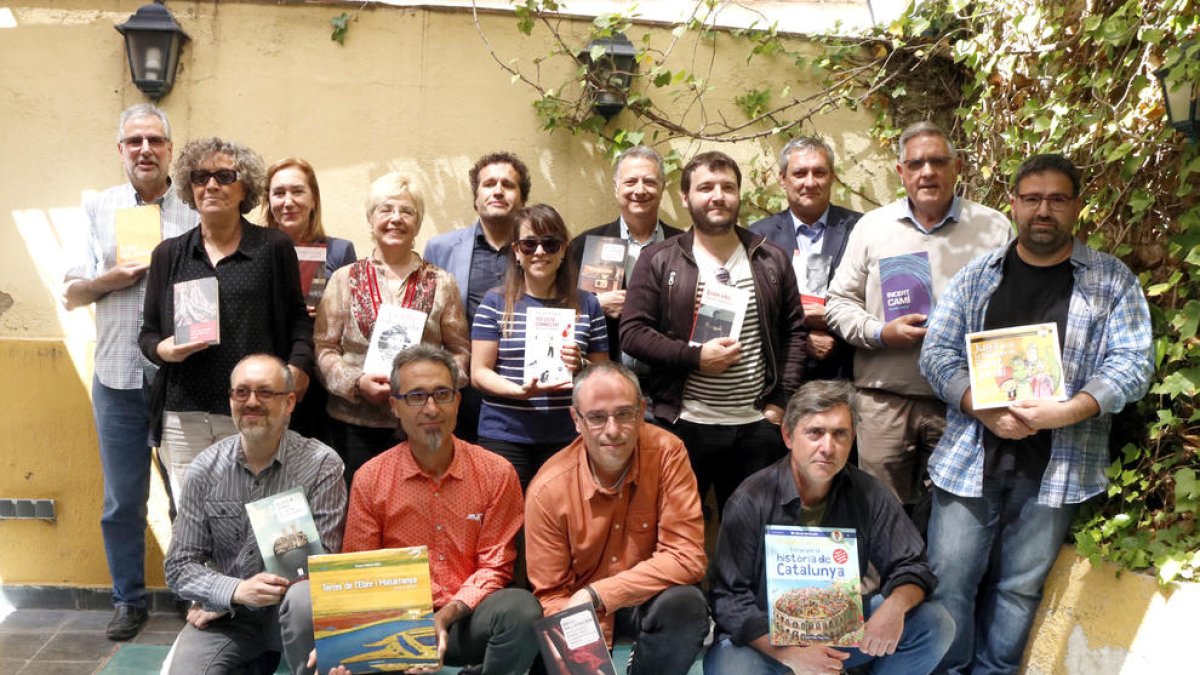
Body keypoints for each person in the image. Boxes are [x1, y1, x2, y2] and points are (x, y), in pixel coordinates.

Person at [919, 154, 1153, 674]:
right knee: (949, 582)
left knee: (1019, 591)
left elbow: (1134, 364)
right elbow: (935, 354)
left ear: (1076, 206)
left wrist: (1069, 411)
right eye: (1032, 198)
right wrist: (981, 408)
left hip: (1058, 465)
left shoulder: (1112, 283)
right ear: (1015, 205)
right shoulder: (977, 276)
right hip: (970, 459)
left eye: (1057, 199)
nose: (1043, 209)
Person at [61, 103, 198, 641]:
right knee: (124, 498)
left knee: (190, 494)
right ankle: (128, 599)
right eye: (134, 141)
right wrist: (110, 277)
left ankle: (194, 592)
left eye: (155, 140)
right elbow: (72, 293)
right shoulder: (97, 209)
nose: (145, 149)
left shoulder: (192, 209)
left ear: (169, 149)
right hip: (117, 376)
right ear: (120, 151)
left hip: (181, 376)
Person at [706, 380, 954, 675]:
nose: (828, 447)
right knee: (731, 667)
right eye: (815, 433)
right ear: (788, 435)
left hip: (841, 631)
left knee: (934, 623)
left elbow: (913, 566)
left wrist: (895, 607)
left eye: (840, 434)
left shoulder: (870, 494)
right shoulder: (751, 498)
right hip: (766, 640)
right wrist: (790, 653)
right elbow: (729, 598)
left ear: (852, 440)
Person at [825, 121, 1012, 510]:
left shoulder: (993, 228)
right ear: (901, 172)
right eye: (916, 164)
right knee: (880, 514)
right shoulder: (872, 227)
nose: (927, 172)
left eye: (938, 162)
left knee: (952, 515)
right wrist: (880, 333)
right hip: (883, 401)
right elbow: (839, 303)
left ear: (957, 167)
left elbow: (1014, 311)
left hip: (962, 403)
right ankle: (884, 576)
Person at [621, 150, 807, 515]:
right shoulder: (660, 259)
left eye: (727, 187)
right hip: (684, 424)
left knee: (753, 534)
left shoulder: (770, 258)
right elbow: (633, 333)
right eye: (706, 187)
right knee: (676, 529)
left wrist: (779, 403)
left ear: (739, 195)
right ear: (686, 198)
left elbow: (794, 333)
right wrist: (695, 357)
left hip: (755, 426)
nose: (718, 196)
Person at [342, 345, 542, 675]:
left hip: (467, 617)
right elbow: (362, 573)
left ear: (458, 402)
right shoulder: (371, 478)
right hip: (398, 624)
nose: (431, 408)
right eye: (416, 396)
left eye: (442, 394)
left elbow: (496, 567)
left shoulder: (496, 472)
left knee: (521, 610)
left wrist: (444, 617)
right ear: (395, 406)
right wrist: (411, 636)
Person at [140, 137, 313, 504]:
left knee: (260, 517)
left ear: (244, 186)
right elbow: (148, 334)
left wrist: (297, 368)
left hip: (256, 408)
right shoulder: (169, 254)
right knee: (192, 519)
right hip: (185, 413)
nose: (211, 185)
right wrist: (163, 349)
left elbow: (298, 320)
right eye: (201, 177)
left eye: (224, 175)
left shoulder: (272, 247)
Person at [163, 354, 346, 675]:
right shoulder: (204, 469)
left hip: (300, 613)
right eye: (241, 392)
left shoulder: (321, 465)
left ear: (289, 402)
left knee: (304, 599)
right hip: (230, 616)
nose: (251, 402)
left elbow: (325, 563)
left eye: (265, 392)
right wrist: (233, 591)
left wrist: (272, 591)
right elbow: (179, 567)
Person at [525, 362, 709, 675]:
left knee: (686, 604)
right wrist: (586, 660)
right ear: (577, 420)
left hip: (646, 598)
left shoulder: (668, 453)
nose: (612, 430)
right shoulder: (547, 488)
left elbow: (688, 557)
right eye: (597, 417)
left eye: (624, 414)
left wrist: (598, 593)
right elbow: (552, 594)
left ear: (641, 411)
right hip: (578, 613)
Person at [314, 173, 469, 483]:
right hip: (355, 425)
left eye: (407, 211)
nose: (395, 219)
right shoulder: (344, 279)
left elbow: (460, 351)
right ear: (371, 219)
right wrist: (357, 383)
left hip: (423, 422)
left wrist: (431, 389)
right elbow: (324, 347)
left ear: (418, 221)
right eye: (385, 210)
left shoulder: (441, 282)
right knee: (362, 508)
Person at [471, 204, 609, 488]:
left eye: (550, 243)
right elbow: (479, 372)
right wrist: (518, 392)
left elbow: (603, 372)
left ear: (564, 249)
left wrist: (580, 365)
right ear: (516, 251)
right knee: (508, 523)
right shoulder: (494, 302)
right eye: (529, 244)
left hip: (567, 433)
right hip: (505, 432)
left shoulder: (588, 304)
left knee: (561, 522)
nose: (539, 252)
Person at [425, 152, 532, 442]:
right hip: (459, 388)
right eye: (489, 184)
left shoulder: (539, 249)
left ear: (522, 199)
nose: (498, 191)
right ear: (476, 197)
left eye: (508, 185)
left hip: (522, 386)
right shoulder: (440, 249)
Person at [750, 136, 863, 381]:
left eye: (819, 172)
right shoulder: (757, 237)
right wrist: (801, 337)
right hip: (780, 380)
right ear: (783, 179)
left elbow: (875, 301)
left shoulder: (863, 229)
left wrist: (835, 318)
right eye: (800, 173)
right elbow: (752, 311)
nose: (810, 182)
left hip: (848, 374)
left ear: (832, 176)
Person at [264, 157, 358, 442]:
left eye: (297, 191)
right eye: (279, 193)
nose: (288, 201)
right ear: (268, 201)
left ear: (314, 199)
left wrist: (327, 312)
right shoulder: (255, 251)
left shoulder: (340, 251)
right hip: (270, 370)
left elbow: (353, 317)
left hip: (319, 376)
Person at [566, 146, 684, 367]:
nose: (640, 190)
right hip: (605, 380)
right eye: (630, 182)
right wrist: (595, 304)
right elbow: (557, 311)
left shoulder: (684, 246)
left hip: (669, 382)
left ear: (662, 187)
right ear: (616, 187)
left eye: (649, 182)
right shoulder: (584, 245)